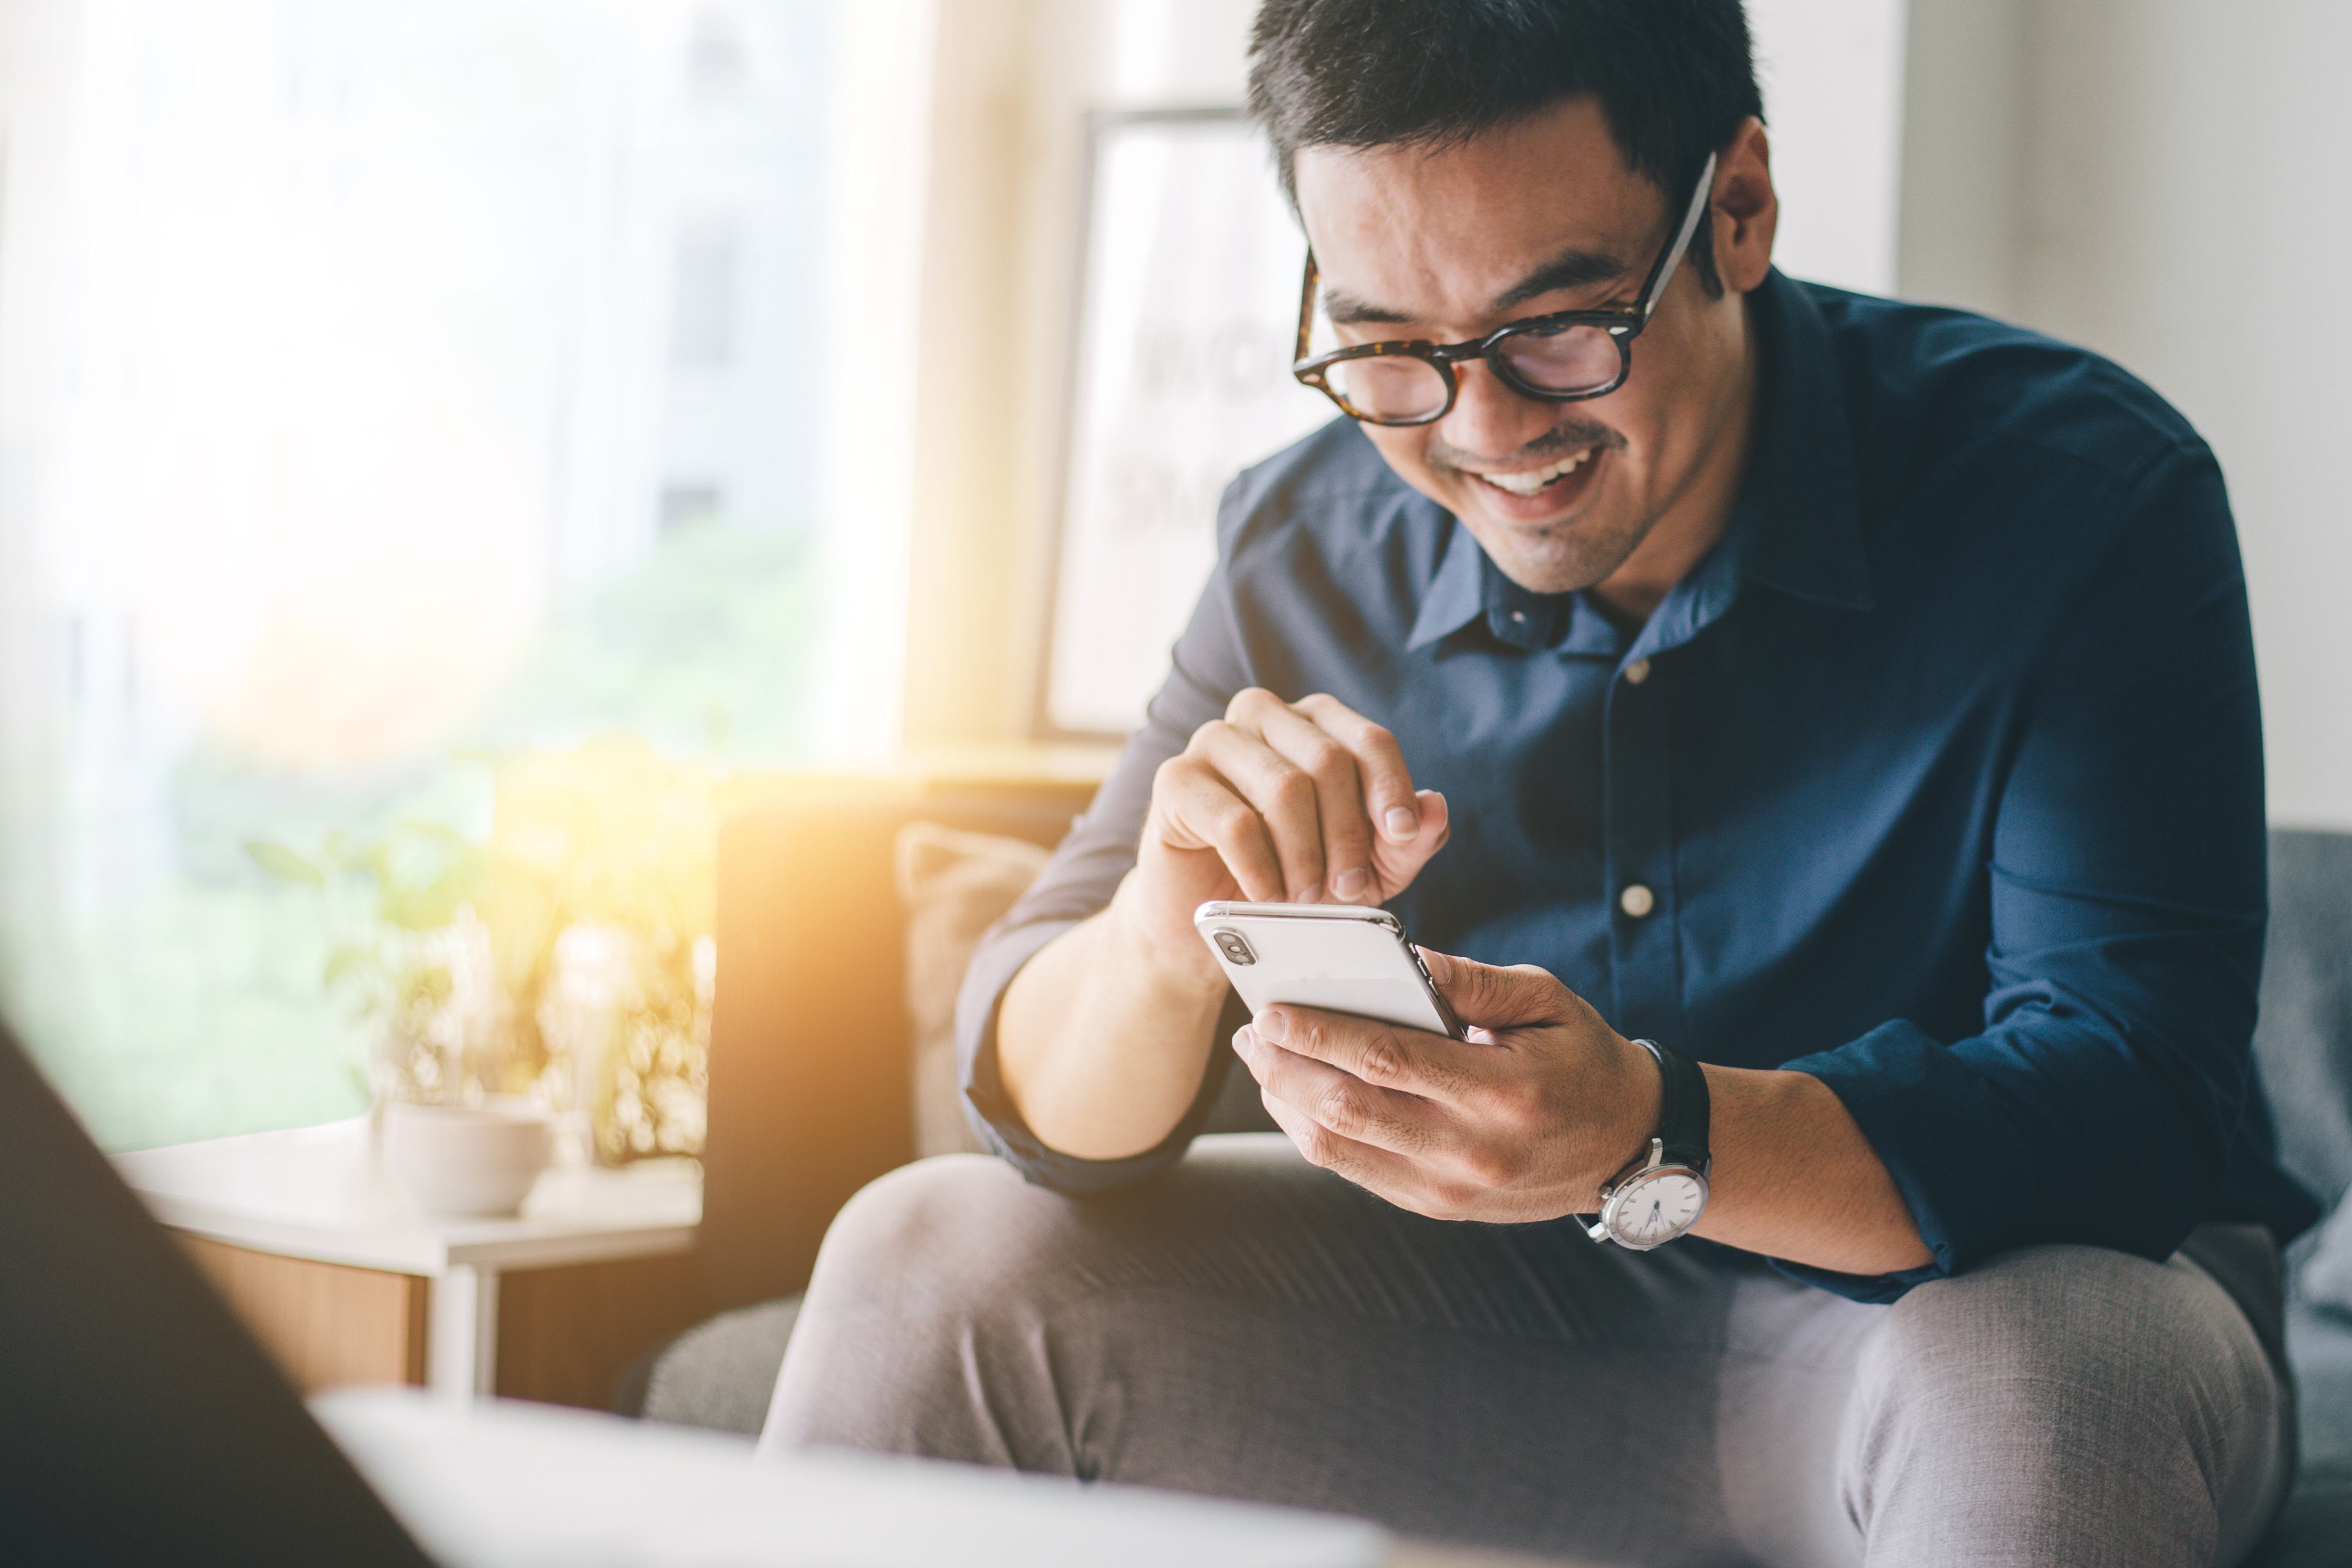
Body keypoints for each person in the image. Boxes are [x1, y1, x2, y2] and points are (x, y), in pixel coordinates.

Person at [760, 2, 2318, 1562]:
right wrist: (1160, 950)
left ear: (1738, 208)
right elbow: (1033, 1099)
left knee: (2040, 1371)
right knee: (926, 1256)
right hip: (1505, 1333)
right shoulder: (1306, 546)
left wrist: (1651, 1134)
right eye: (1383, 344)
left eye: (1558, 328)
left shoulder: (2076, 495)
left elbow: (2131, 1104)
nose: (1484, 430)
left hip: (1982, 1315)